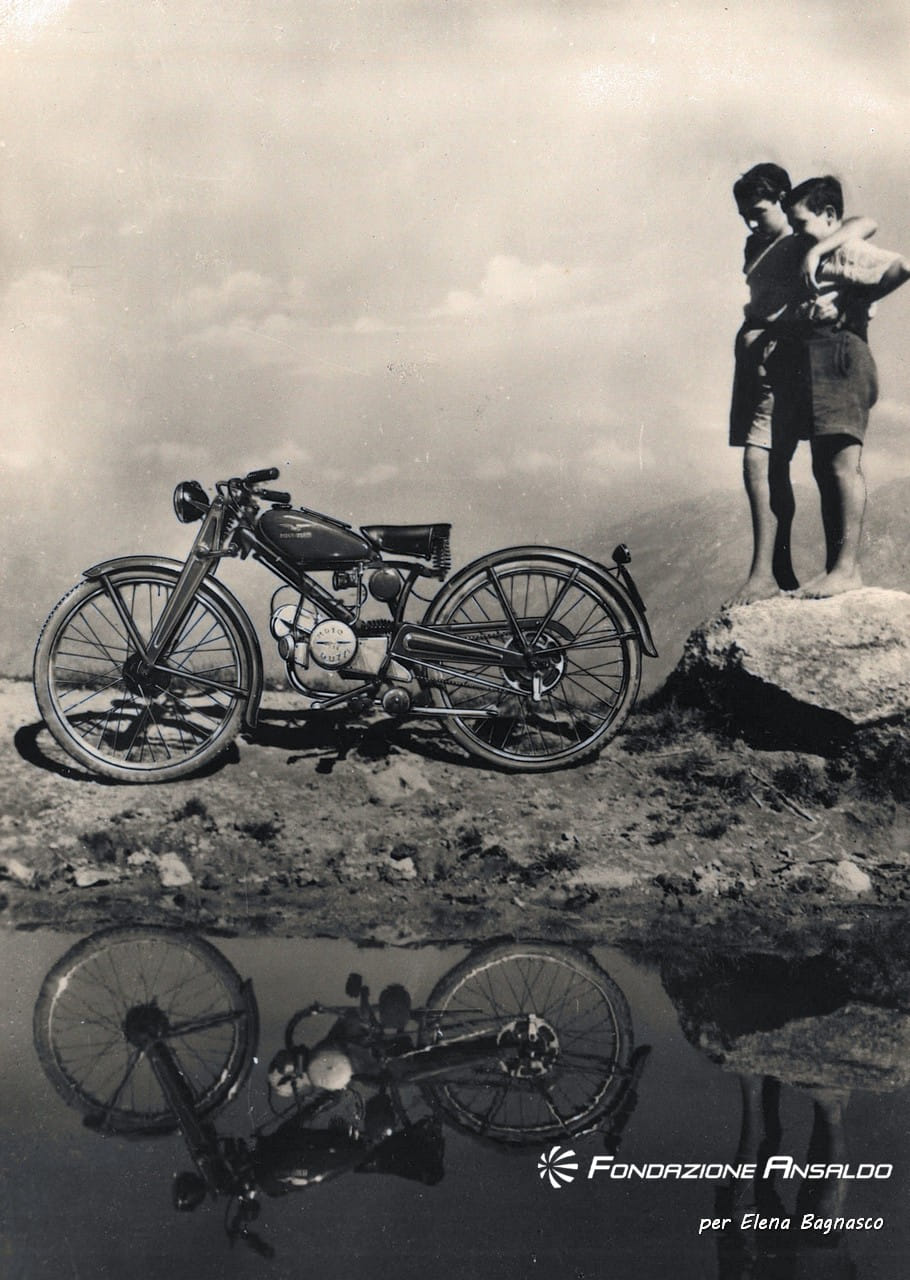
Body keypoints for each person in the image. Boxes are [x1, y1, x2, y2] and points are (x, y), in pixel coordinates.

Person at [726, 164, 877, 605]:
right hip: (757, 363)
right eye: (744, 216)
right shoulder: (756, 242)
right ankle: (776, 571)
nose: (752, 224)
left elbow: (863, 223)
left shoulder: (801, 238)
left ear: (782, 200)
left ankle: (776, 572)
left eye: (758, 213)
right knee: (767, 464)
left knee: (769, 458)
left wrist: (815, 252)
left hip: (787, 359)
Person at [783, 175, 910, 597]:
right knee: (825, 468)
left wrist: (858, 301)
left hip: (841, 353)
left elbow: (901, 266)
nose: (797, 233)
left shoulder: (843, 248)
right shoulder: (820, 251)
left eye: (801, 224)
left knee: (841, 465)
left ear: (828, 216)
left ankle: (847, 568)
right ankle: (835, 567)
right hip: (820, 357)